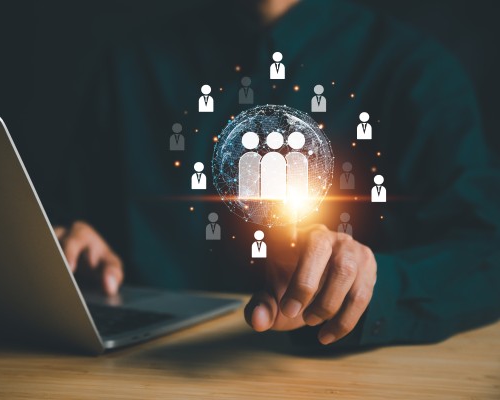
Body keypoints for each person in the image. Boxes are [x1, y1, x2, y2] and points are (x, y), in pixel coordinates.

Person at [52, 0, 500, 350]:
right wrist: (71, 248)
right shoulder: (130, 68)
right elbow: (72, 226)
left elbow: (485, 254)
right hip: (135, 372)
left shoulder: (416, 72)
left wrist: (373, 281)